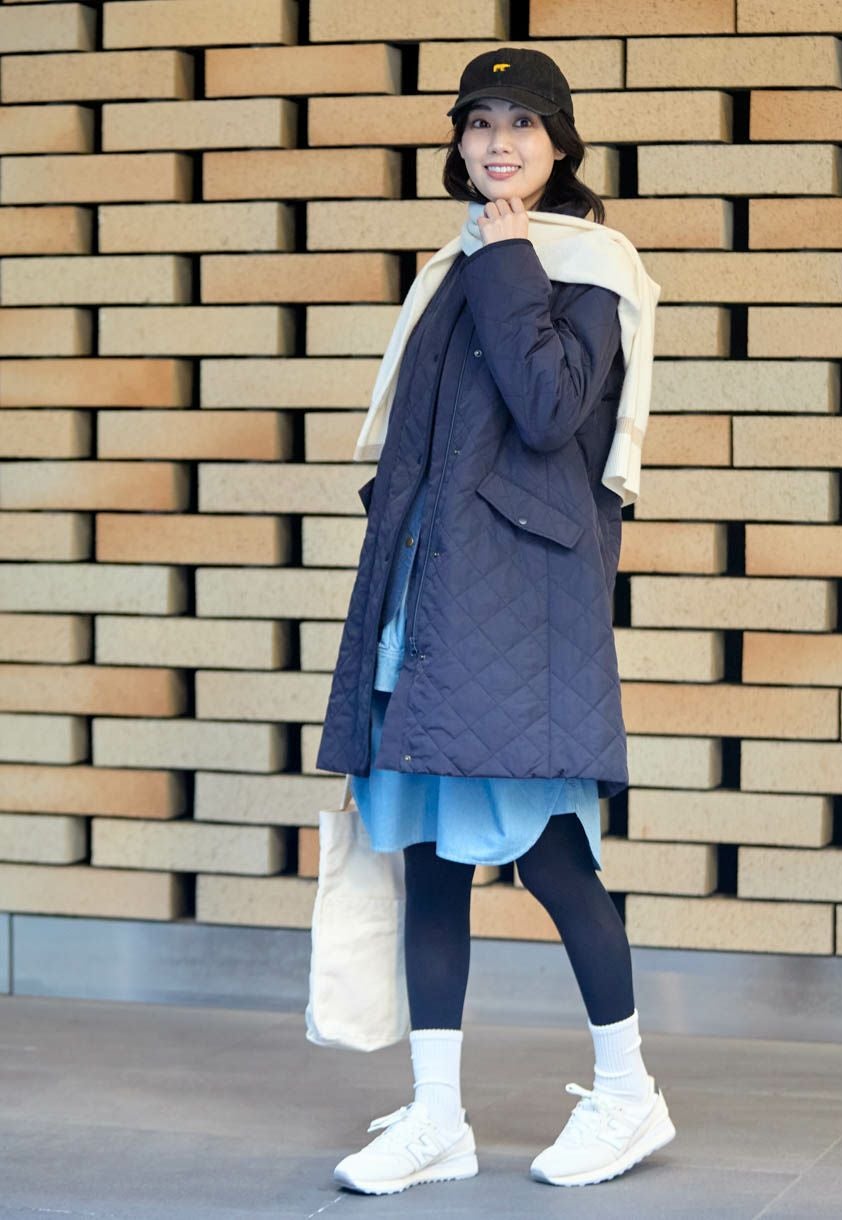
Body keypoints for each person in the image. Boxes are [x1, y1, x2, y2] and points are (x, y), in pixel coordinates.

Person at [316, 46, 674, 1194]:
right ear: (458, 143)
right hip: (426, 601)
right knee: (428, 860)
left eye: (523, 122)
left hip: (514, 607)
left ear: (561, 144)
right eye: (480, 123)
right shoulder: (455, 260)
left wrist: (511, 254)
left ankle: (628, 1091)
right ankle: (436, 1117)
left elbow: (549, 407)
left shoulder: (586, 266)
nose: (499, 142)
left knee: (554, 856)